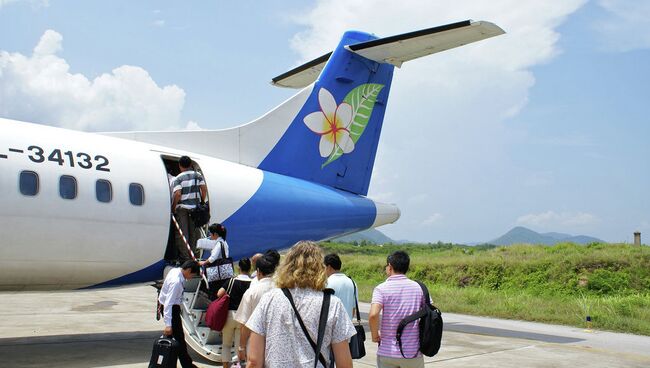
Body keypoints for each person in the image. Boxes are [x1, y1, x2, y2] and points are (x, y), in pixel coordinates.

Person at [245, 241, 356, 368]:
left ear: (286, 266)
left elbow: (253, 361)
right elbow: (345, 364)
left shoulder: (269, 299)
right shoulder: (332, 304)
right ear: (321, 268)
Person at [369, 251, 425, 368]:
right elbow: (429, 311)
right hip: (412, 352)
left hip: (387, 352)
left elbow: (373, 314)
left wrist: (375, 335)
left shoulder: (381, 289)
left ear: (390, 267)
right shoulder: (418, 288)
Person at [234, 251, 280, 362]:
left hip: (255, 343)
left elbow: (244, 324)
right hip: (277, 342)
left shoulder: (252, 292)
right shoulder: (282, 289)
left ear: (258, 271)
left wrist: (241, 347)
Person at [158, 260, 201, 368]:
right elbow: (169, 303)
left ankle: (168, 363)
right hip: (171, 309)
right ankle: (187, 365)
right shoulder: (176, 281)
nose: (191, 278)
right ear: (189, 270)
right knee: (179, 339)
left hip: (171, 307)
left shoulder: (175, 271)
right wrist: (168, 324)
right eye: (193, 275)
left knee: (175, 338)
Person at [216, 258, 253, 368]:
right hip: (244, 317)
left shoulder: (231, 281)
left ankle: (225, 366)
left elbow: (219, 294)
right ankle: (237, 365)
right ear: (250, 268)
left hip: (230, 315)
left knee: (226, 344)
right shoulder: (253, 283)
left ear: (238, 268)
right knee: (239, 345)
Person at [324, 253, 358, 367]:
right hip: (345, 334)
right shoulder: (352, 282)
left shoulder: (327, 283)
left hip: (328, 333)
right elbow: (353, 309)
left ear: (328, 267)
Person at [171, 155, 207, 262]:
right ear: (191, 164)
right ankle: (193, 256)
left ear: (180, 166)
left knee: (182, 233)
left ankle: (185, 258)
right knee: (193, 233)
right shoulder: (198, 175)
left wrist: (173, 207)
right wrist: (201, 201)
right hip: (194, 208)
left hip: (182, 208)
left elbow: (178, 194)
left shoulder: (178, 178)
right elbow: (204, 189)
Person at [197, 223, 230, 295]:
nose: (210, 236)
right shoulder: (224, 242)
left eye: (210, 234)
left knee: (212, 288)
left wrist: (203, 262)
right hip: (225, 269)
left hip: (217, 270)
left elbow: (212, 258)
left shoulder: (218, 244)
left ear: (215, 234)